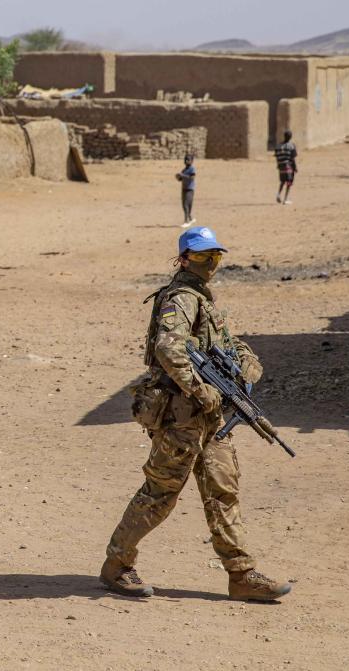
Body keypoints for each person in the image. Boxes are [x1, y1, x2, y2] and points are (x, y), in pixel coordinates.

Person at [99, 226, 291, 603]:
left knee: (223, 491)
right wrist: (198, 388)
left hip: (211, 418)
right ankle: (117, 565)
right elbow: (168, 348)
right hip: (181, 417)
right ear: (184, 260)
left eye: (215, 256)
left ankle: (241, 574)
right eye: (202, 256)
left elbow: (225, 343)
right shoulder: (181, 299)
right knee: (160, 493)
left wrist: (247, 360)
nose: (210, 264)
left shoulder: (204, 299)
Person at [274, 131, 298, 204]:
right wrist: (295, 167)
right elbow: (292, 158)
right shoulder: (291, 145)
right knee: (289, 182)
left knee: (282, 181)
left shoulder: (278, 146)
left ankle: (278, 194)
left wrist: (278, 164)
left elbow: (277, 156)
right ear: (290, 137)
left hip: (281, 166)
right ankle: (286, 199)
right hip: (288, 166)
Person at [175, 154, 197, 227]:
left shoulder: (192, 169)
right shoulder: (184, 170)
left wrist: (182, 175)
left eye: (188, 159)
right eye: (185, 159)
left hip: (190, 189)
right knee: (184, 205)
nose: (186, 161)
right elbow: (180, 179)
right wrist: (178, 177)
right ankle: (190, 218)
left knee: (186, 204)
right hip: (184, 189)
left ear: (192, 161)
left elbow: (192, 178)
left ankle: (186, 221)